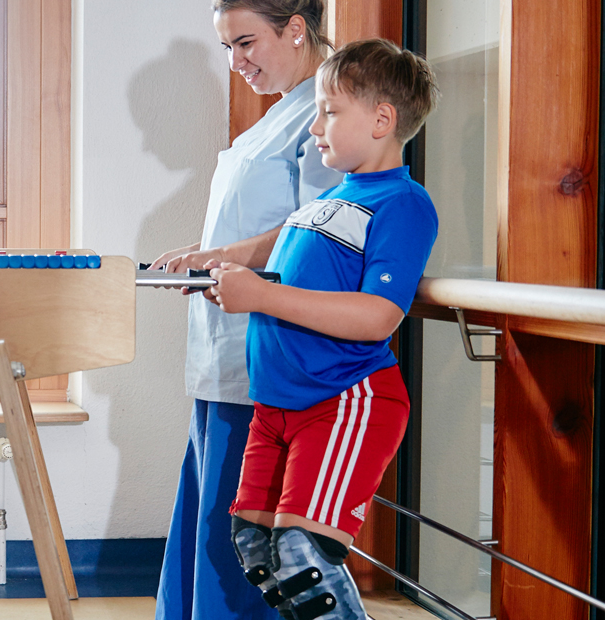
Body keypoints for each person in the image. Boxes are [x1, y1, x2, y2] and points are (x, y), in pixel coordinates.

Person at [205, 39, 440, 619]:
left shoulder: (403, 204)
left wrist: (260, 293)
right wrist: (226, 271)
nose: (315, 127)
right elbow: (292, 273)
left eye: (330, 112)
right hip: (276, 403)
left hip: (342, 400)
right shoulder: (330, 200)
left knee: (304, 557)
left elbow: (378, 315)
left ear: (383, 120)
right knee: (257, 547)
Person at [148, 1, 342, 618]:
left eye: (246, 42)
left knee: (240, 532)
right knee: (208, 516)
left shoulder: (327, 112)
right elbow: (256, 226)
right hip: (224, 353)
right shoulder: (277, 118)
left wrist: (222, 256)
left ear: (296, 29)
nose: (237, 62)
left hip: (268, 354)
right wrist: (204, 259)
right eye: (228, 48)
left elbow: (316, 232)